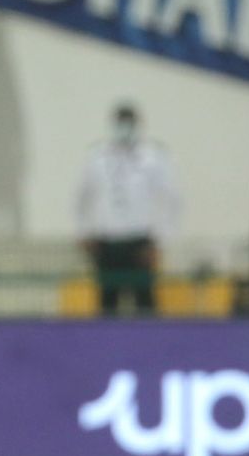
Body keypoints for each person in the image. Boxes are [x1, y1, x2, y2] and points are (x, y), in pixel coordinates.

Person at [74, 103, 181, 315]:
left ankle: (149, 347)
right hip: (106, 243)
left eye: (128, 122)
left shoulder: (154, 158)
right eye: (120, 122)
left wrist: (160, 241)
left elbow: (173, 200)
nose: (124, 128)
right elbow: (79, 198)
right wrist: (84, 232)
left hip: (140, 243)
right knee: (107, 305)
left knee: (145, 305)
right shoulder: (97, 156)